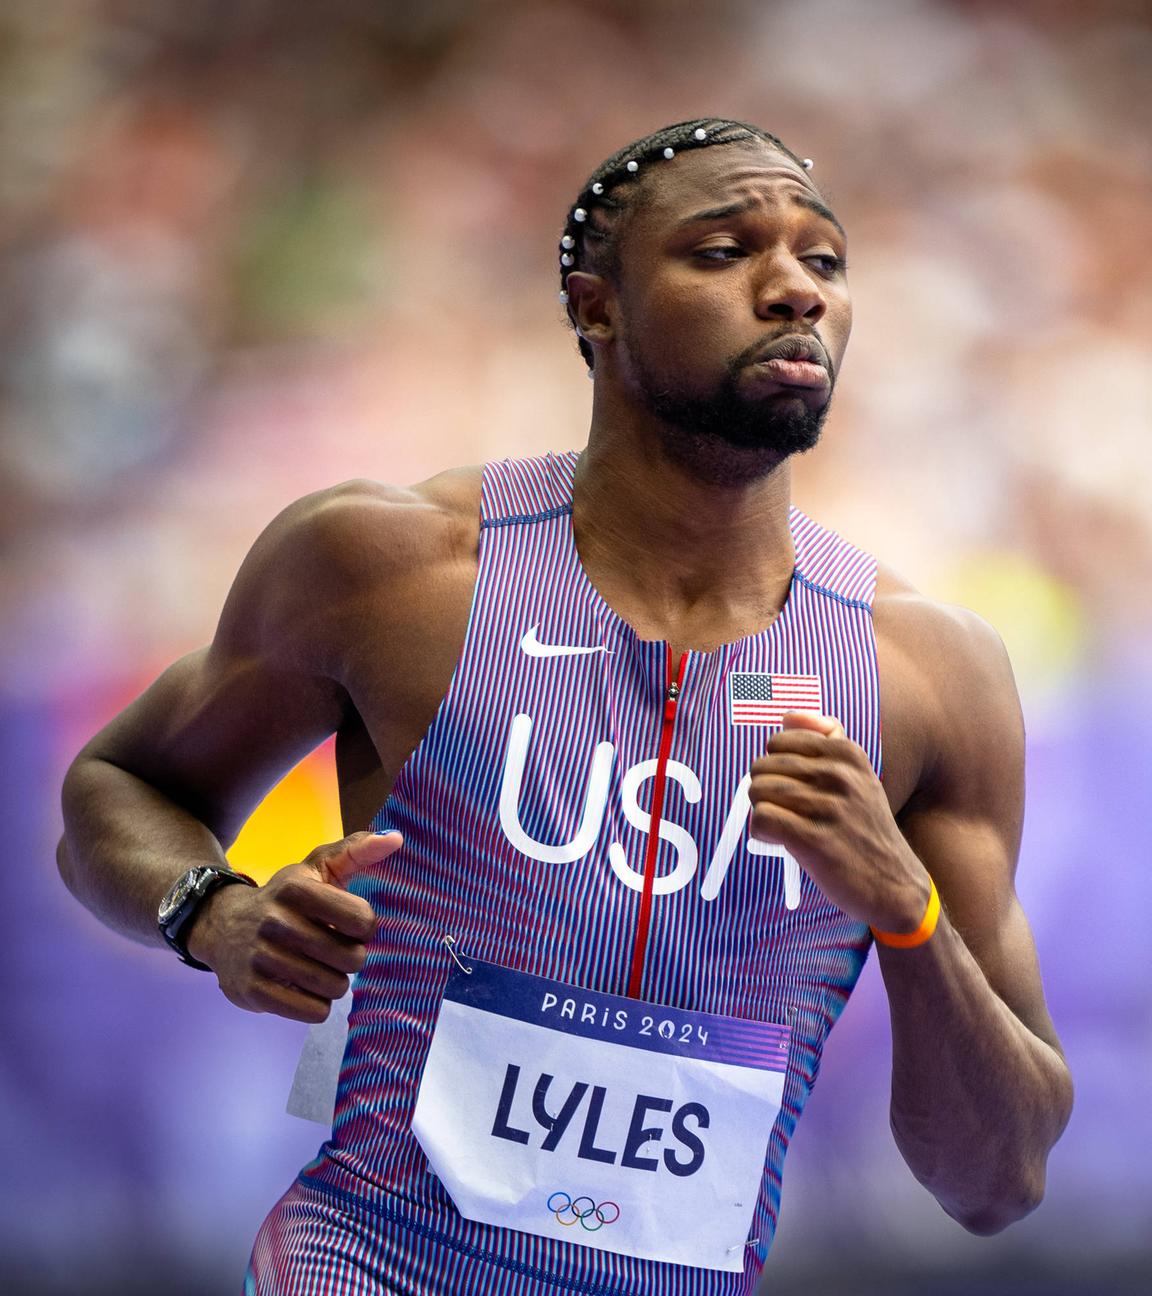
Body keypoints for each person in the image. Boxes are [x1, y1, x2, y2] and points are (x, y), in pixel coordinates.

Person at [58, 118, 1073, 1295]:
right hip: (366, 1266)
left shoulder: (932, 678)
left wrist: (906, 911)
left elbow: (998, 1179)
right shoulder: (393, 570)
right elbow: (116, 787)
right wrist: (212, 913)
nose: (794, 289)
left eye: (826, 261)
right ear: (596, 307)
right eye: (724, 251)